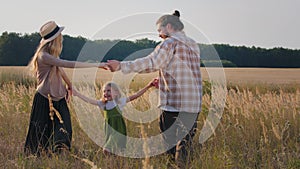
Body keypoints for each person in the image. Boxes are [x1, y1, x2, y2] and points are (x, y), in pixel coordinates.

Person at [107, 10, 202, 164]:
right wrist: (166, 77)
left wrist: (120, 66)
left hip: (174, 104)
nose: (159, 34)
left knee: (170, 145)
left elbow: (151, 63)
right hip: (193, 103)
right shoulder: (193, 44)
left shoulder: (169, 43)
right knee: (185, 145)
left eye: (159, 30)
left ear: (169, 26)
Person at [24, 21, 106, 156]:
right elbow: (67, 64)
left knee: (65, 127)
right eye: (59, 35)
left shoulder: (52, 55)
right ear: (55, 39)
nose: (61, 37)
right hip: (45, 97)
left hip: (59, 95)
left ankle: (59, 153)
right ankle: (39, 155)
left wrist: (70, 86)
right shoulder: (43, 56)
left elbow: (60, 70)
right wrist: (98, 64)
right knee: (41, 130)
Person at [72, 79, 159, 154]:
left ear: (116, 93)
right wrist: (76, 93)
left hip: (118, 129)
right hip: (109, 128)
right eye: (104, 91)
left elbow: (135, 96)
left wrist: (148, 86)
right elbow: (89, 100)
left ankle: (109, 154)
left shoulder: (119, 102)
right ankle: (111, 160)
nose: (106, 93)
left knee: (107, 148)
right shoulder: (103, 104)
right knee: (114, 149)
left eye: (109, 90)